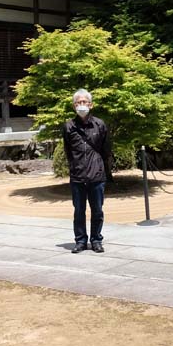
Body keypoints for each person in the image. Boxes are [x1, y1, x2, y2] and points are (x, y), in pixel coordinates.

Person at [62, 89, 112, 253]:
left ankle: (96, 240)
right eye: (78, 102)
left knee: (97, 210)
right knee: (79, 211)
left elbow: (106, 149)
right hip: (77, 176)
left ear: (91, 104)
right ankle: (80, 241)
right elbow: (68, 151)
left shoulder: (99, 124)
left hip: (97, 175)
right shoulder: (69, 126)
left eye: (84, 102)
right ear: (74, 105)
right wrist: (74, 166)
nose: (81, 105)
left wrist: (100, 166)